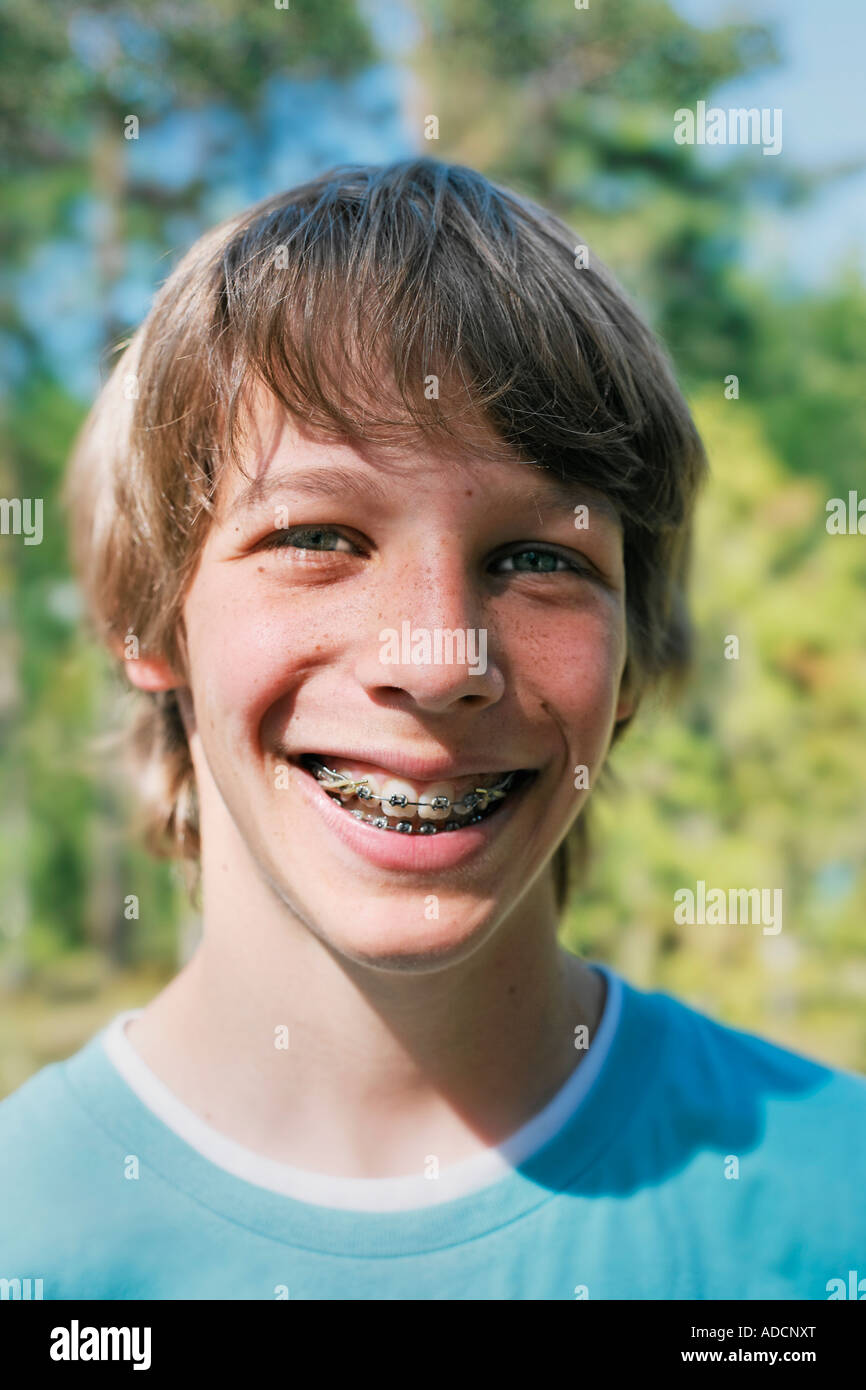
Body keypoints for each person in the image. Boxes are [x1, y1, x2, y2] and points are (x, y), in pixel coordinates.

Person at [1, 159, 863, 1301]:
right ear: (148, 619)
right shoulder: (33, 1240)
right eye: (317, 536)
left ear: (632, 664)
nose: (437, 659)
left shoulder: (826, 1206)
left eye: (539, 558)